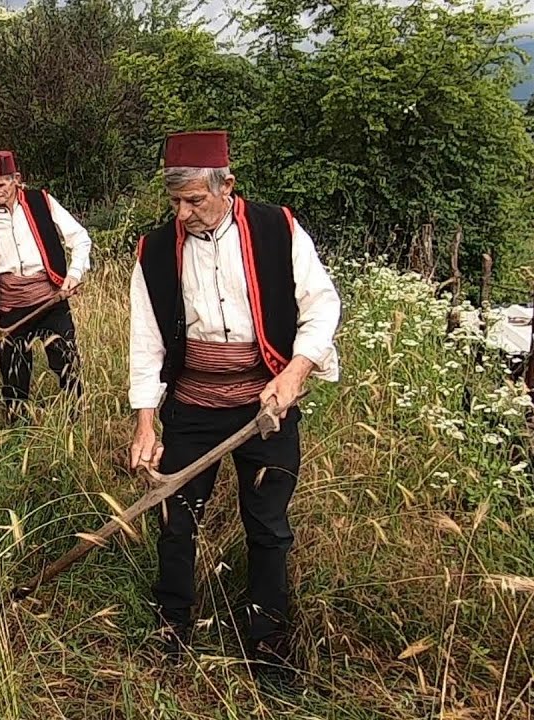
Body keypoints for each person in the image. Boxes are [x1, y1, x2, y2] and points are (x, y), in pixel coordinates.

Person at [127, 130, 341, 684]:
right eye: (175, 201)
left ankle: (267, 646)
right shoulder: (153, 250)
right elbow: (146, 341)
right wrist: (146, 421)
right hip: (192, 408)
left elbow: (322, 306)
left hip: (265, 403)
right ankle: (171, 634)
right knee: (176, 521)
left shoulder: (279, 229)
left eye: (195, 199)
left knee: (268, 526)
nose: (185, 212)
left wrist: (295, 372)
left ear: (228, 185)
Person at [0, 150, 90, 420]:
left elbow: (80, 238)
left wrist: (74, 273)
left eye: (1, 185)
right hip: (9, 307)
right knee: (13, 374)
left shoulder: (41, 202)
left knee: (67, 363)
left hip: (50, 300)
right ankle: (17, 427)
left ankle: (77, 419)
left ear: (16, 179)